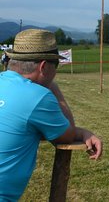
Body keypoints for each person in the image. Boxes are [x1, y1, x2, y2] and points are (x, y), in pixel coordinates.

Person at [0, 29, 103, 201]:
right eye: (55, 67)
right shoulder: (38, 96)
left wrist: (84, 133)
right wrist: (52, 87)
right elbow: (66, 135)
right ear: (43, 67)